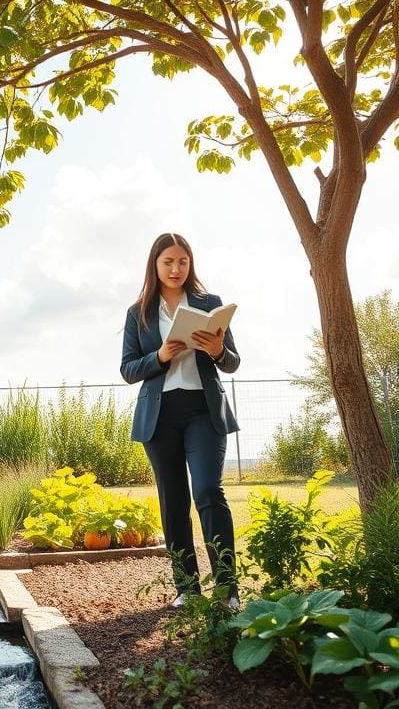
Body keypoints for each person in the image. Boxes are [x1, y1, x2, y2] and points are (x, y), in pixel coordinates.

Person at [120, 233, 241, 609]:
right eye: (168, 262)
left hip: (204, 409)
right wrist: (159, 356)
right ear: (155, 265)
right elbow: (127, 369)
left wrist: (219, 349)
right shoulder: (138, 311)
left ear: (191, 265)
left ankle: (227, 589)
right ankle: (187, 588)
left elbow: (233, 361)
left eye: (183, 262)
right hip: (161, 415)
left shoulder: (210, 304)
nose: (176, 269)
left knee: (207, 490)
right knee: (173, 502)